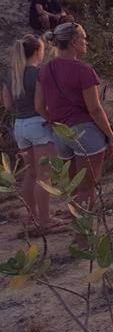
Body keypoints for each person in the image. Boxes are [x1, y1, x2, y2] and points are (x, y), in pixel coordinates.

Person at [36, 23, 113, 209]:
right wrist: (111, 137)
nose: (86, 42)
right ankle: (84, 236)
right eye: (83, 38)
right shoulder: (84, 71)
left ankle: (77, 230)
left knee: (72, 188)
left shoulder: (45, 70)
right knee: (87, 188)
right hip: (85, 133)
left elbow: (39, 106)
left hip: (61, 134)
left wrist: (55, 122)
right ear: (73, 42)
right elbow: (95, 110)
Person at [1, 35, 61, 229]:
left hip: (20, 126)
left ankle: (31, 216)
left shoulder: (11, 74)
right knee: (45, 175)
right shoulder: (39, 73)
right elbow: (41, 103)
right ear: (37, 51)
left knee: (30, 174)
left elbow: (7, 105)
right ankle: (45, 219)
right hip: (39, 125)